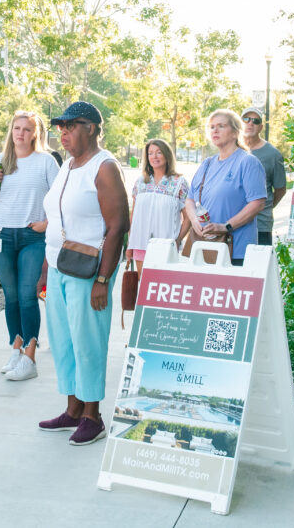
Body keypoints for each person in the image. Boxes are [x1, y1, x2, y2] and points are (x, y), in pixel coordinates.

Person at [37, 101, 129, 445]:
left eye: (71, 126)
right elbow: (57, 222)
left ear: (91, 128)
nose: (63, 132)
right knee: (63, 341)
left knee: (87, 342)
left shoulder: (104, 168)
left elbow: (118, 226)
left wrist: (103, 279)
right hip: (60, 264)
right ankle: (73, 409)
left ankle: (93, 415)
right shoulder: (69, 165)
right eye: (60, 127)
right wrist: (46, 268)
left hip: (89, 270)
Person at [0, 110, 59, 381]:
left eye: (27, 129)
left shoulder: (45, 162)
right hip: (2, 235)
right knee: (11, 297)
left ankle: (30, 358)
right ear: (11, 131)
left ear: (35, 134)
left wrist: (47, 223)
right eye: (17, 128)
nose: (21, 133)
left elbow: (60, 199)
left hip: (32, 237)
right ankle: (16, 348)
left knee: (27, 295)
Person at [184, 109, 267, 266]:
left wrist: (226, 226)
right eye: (212, 127)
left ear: (235, 132)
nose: (215, 130)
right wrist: (194, 221)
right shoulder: (207, 163)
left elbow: (258, 203)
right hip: (204, 248)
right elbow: (190, 199)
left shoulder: (247, 162)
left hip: (235, 251)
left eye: (221, 126)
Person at [126, 138, 190, 271]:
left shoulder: (179, 182)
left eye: (159, 152)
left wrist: (177, 241)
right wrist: (130, 243)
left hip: (166, 247)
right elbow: (134, 216)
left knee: (163, 283)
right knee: (143, 282)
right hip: (140, 244)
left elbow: (188, 218)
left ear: (167, 155)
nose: (154, 156)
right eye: (150, 153)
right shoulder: (141, 182)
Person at [241, 106, 287, 246]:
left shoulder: (273, 154)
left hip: (260, 226)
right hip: (232, 224)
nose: (250, 123)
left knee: (258, 260)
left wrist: (263, 207)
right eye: (246, 119)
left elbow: (280, 189)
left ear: (261, 127)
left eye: (255, 121)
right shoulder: (233, 149)